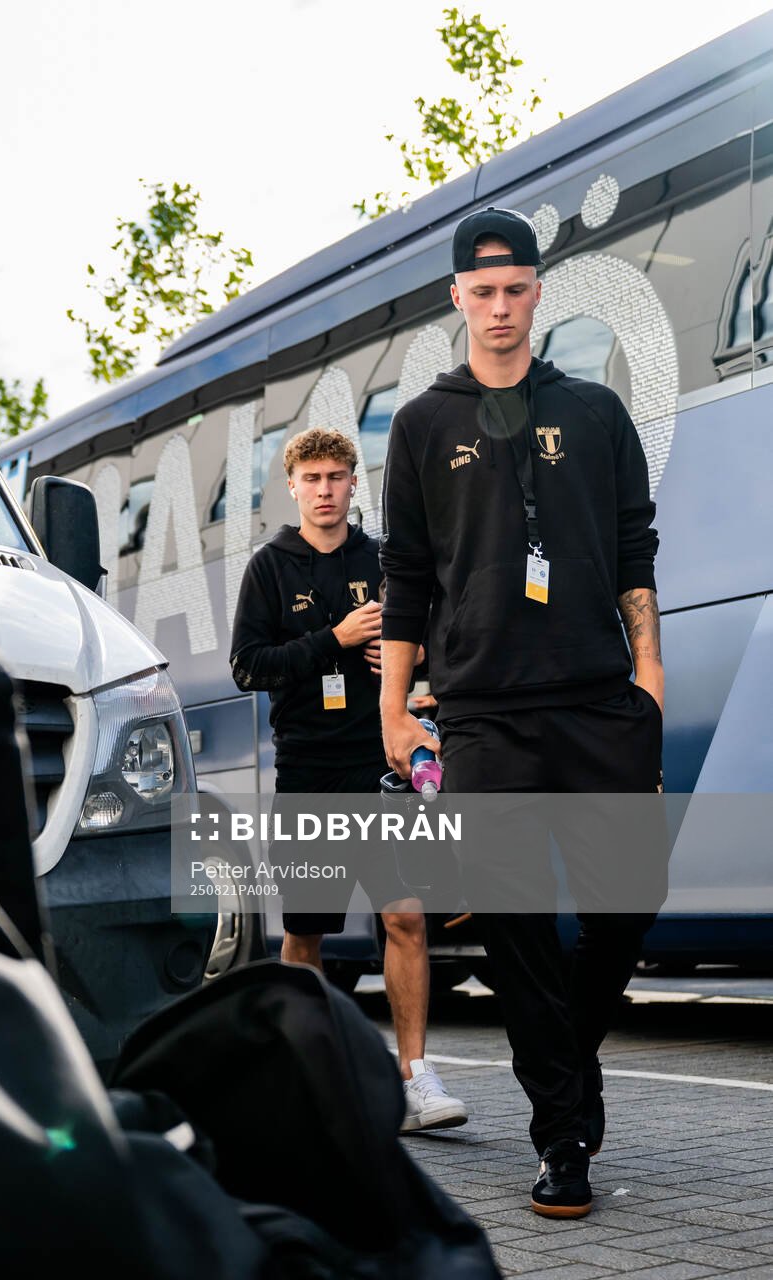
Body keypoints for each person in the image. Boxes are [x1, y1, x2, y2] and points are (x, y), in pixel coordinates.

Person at [379, 207, 664, 1217]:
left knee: (628, 906)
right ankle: (562, 1134)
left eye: (515, 290)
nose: (498, 309)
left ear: (538, 292)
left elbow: (635, 543)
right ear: (456, 296)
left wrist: (651, 669)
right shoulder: (420, 427)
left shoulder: (594, 413)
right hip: (482, 711)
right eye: (480, 292)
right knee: (513, 926)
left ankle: (562, 1063)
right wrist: (393, 706)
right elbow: (406, 576)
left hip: (597, 699)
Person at [231, 426, 468, 1132]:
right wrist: (332, 641)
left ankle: (415, 1078)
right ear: (293, 486)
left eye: (338, 477)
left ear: (353, 483)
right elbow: (248, 666)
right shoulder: (269, 567)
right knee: (304, 934)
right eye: (313, 479)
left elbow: (440, 639)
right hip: (307, 768)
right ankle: (307, 1072)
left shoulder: (383, 561)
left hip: (380, 765)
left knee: (404, 916)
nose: (326, 490)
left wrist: (413, 657)